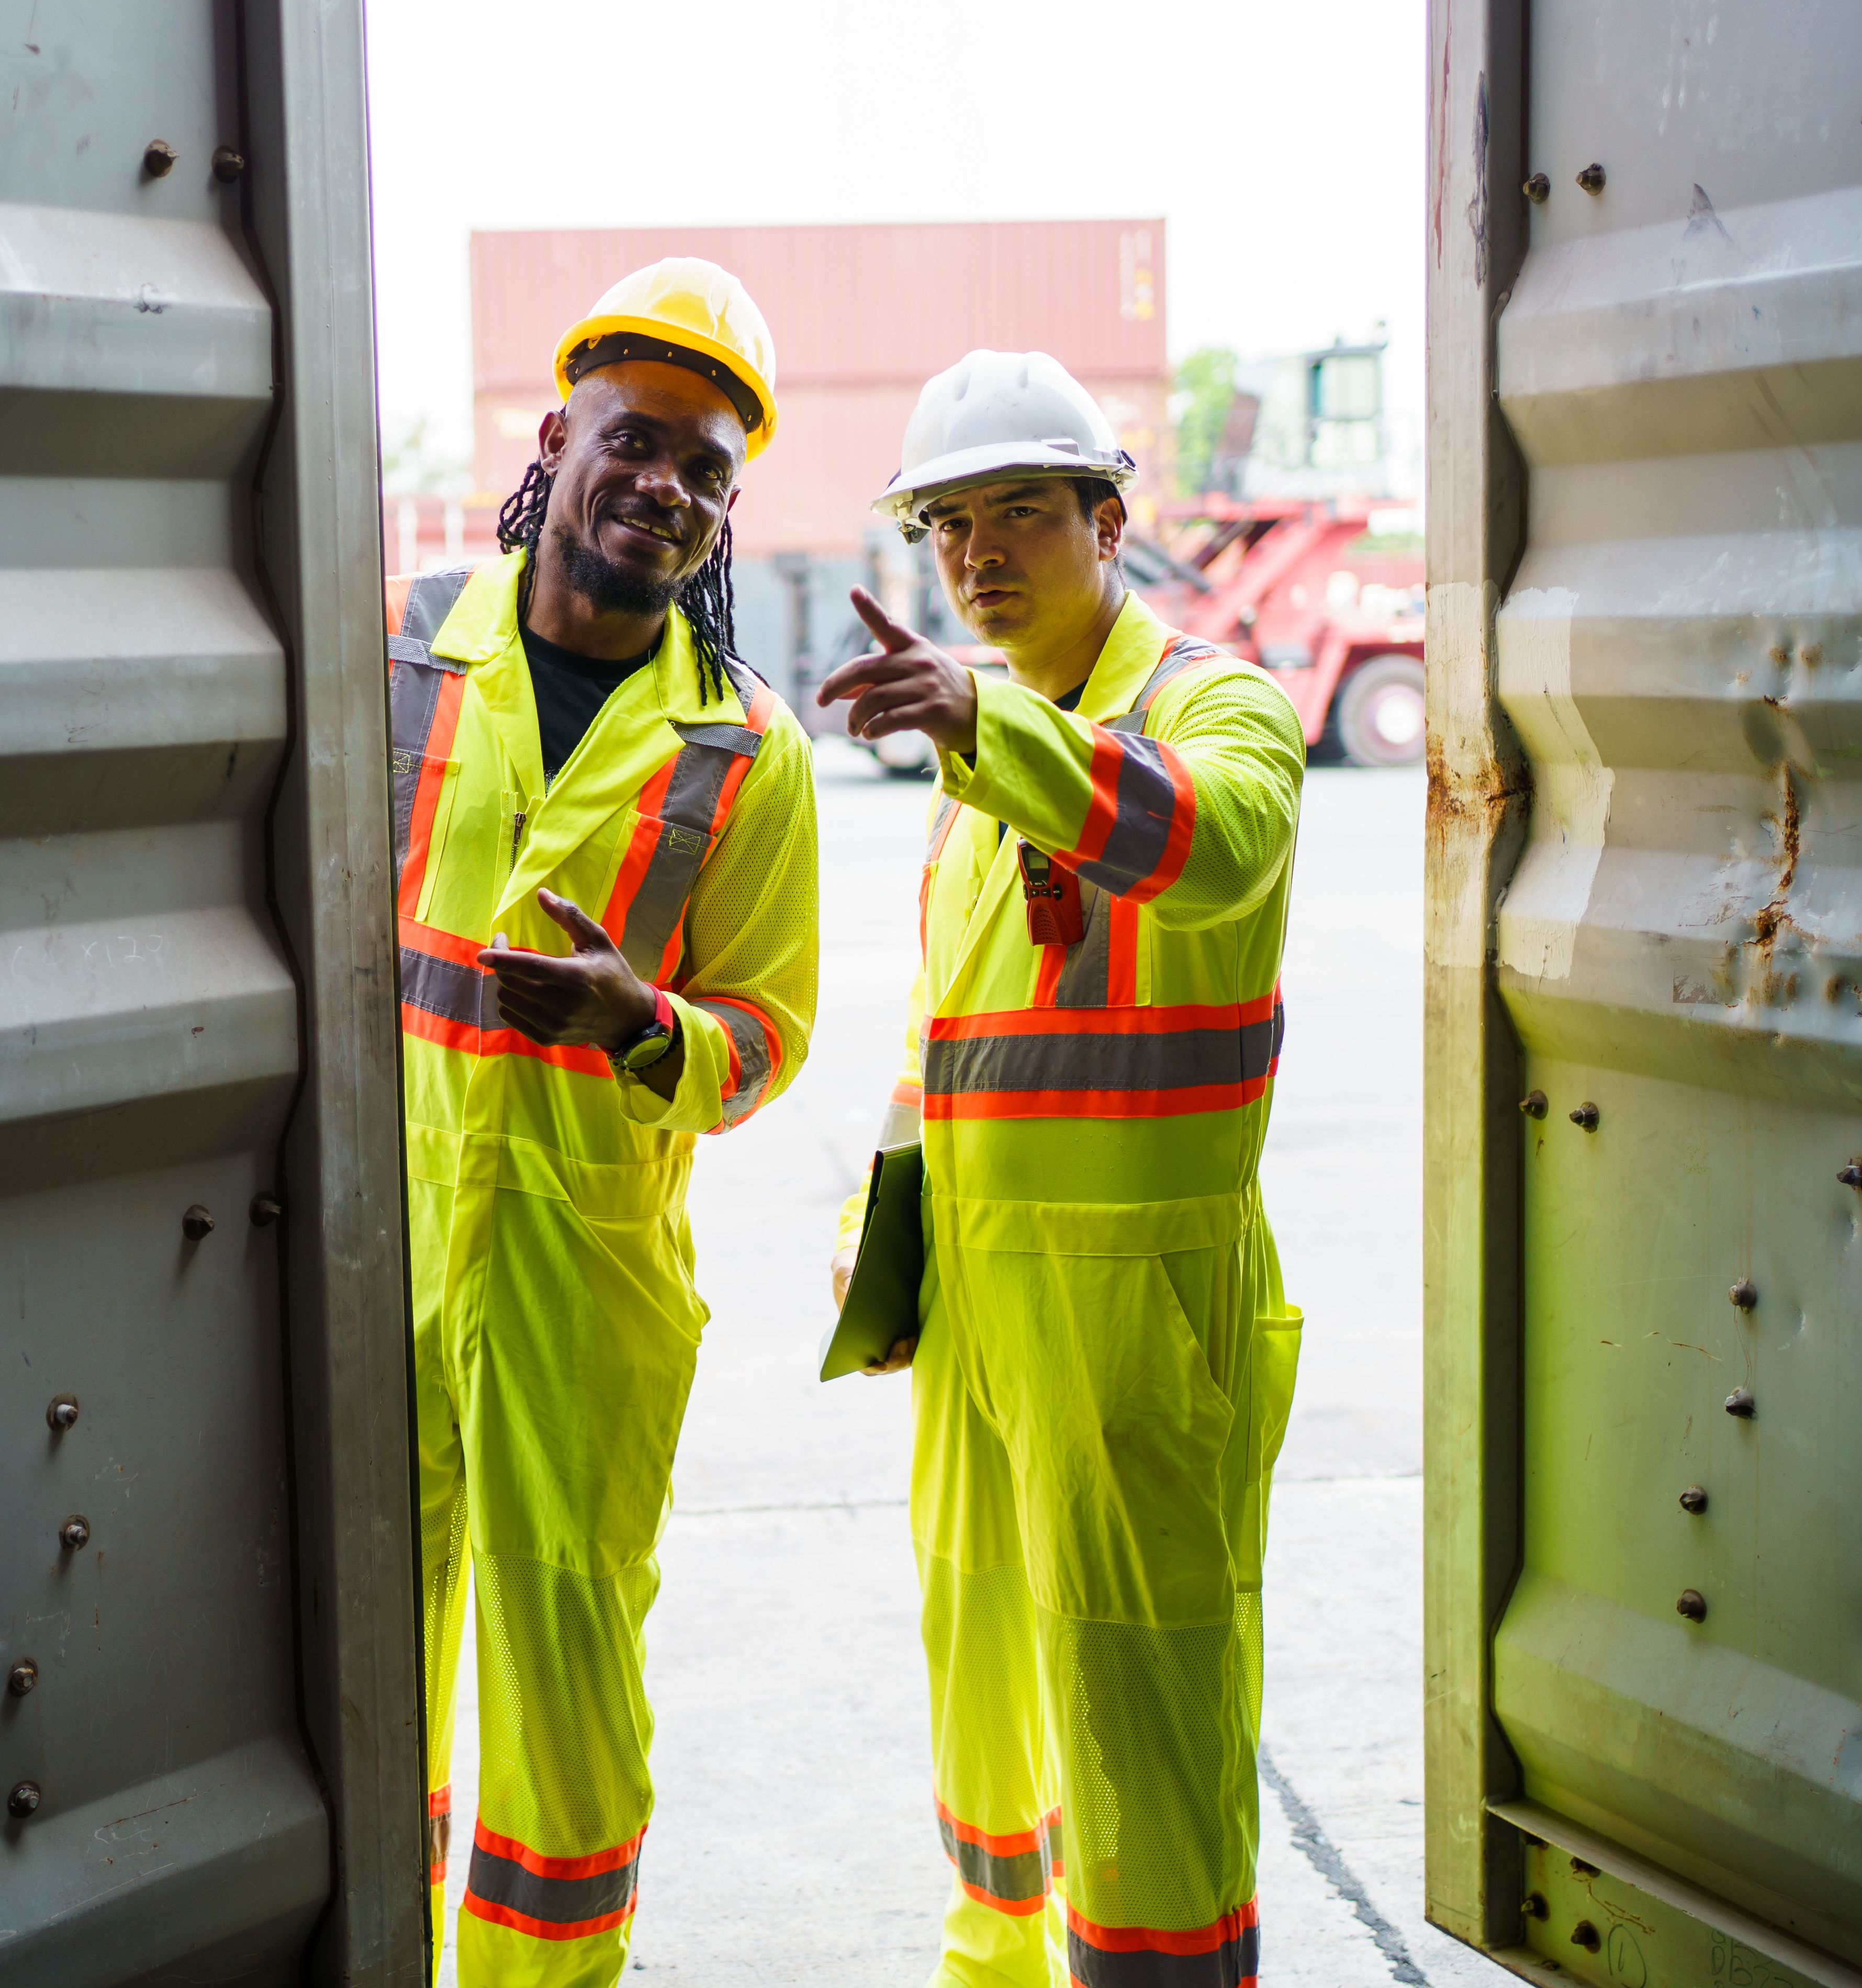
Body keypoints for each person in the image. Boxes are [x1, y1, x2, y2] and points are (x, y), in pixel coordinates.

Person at [815, 351, 1304, 1988]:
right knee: (988, 1679)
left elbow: (1219, 848)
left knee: (1139, 1703)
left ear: (1110, 520)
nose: (979, 554)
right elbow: (949, 1034)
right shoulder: (981, 768)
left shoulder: (1211, 705)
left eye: (1021, 510)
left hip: (1138, 1314)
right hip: (980, 1317)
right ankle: (996, 1962)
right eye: (948, 524)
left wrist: (989, 723)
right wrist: (880, 1231)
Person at [390, 259, 821, 1984]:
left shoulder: (741, 752)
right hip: (379, 1256)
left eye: (710, 468)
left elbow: (771, 1035)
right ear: (558, 434)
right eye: (639, 438)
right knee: (366, 1664)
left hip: (591, 1288)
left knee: (571, 1709)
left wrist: (653, 1029)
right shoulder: (402, 651)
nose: (669, 486)